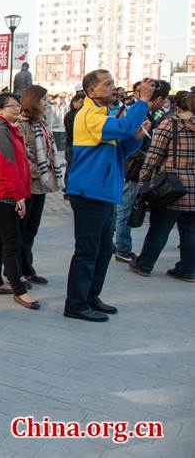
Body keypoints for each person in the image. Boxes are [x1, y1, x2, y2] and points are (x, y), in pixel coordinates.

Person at [64, 71, 153, 322]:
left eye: (113, 83)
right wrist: (142, 102)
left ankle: (91, 297)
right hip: (89, 192)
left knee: (104, 250)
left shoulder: (102, 114)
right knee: (88, 251)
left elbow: (120, 148)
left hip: (103, 192)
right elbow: (123, 126)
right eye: (108, 84)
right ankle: (76, 303)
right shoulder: (89, 114)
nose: (114, 88)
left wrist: (136, 137)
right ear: (91, 91)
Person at [129, 92, 194, 281]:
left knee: (160, 227)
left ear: (178, 108)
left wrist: (144, 180)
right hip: (193, 188)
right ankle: (188, 269)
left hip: (172, 186)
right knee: (190, 229)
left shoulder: (171, 124)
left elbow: (154, 154)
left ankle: (145, 264)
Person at [0, 94, 39, 309]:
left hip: (8, 191)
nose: (16, 109)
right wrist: (18, 197)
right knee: (11, 242)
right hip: (4, 193)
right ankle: (18, 289)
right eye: (11, 106)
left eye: (17, 105)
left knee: (1, 239)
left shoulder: (8, 128)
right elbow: (6, 166)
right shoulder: (0, 131)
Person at [114, 80, 171, 263]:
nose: (165, 103)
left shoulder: (155, 115)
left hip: (144, 167)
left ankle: (119, 244)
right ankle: (122, 248)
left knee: (127, 207)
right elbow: (125, 139)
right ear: (159, 98)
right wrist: (147, 157)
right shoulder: (136, 112)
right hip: (134, 167)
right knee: (125, 208)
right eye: (164, 99)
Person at [15, 85, 61, 286]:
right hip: (27, 186)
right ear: (33, 102)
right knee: (21, 231)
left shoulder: (41, 123)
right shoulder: (20, 125)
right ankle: (16, 271)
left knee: (31, 230)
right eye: (43, 100)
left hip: (40, 186)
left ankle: (28, 268)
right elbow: (21, 155)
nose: (46, 104)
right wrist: (37, 172)